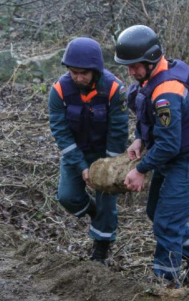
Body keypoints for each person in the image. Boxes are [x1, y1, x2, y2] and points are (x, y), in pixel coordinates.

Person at [116, 25, 189, 286]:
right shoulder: (153, 77)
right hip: (173, 154)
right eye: (127, 66)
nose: (130, 72)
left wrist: (140, 170)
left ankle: (167, 283)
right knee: (155, 212)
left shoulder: (168, 93)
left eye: (135, 65)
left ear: (151, 59)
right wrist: (140, 138)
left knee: (167, 223)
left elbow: (169, 144)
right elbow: (147, 115)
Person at [48, 37, 129, 264]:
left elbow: (119, 130)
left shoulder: (115, 89)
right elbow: (60, 132)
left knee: (107, 201)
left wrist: (109, 166)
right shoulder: (59, 91)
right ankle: (96, 214)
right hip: (76, 152)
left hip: (106, 153)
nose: (78, 77)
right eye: (73, 72)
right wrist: (82, 166)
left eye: (83, 73)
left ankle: (100, 252)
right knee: (67, 197)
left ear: (95, 70)